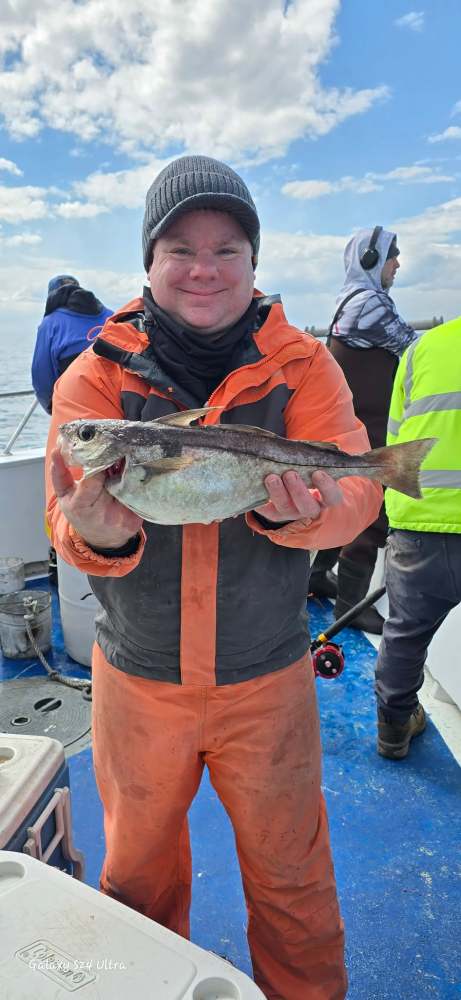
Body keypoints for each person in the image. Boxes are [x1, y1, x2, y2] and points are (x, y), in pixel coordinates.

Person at [46, 155, 382, 1000]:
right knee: (137, 883)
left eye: (226, 249)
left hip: (267, 677)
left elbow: (356, 494)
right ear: (149, 262)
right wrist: (91, 534)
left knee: (294, 880)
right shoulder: (94, 378)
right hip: (138, 680)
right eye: (180, 249)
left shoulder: (303, 365)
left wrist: (301, 514)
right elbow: (63, 516)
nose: (204, 269)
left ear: (253, 260)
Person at [310, 226, 417, 633]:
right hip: (370, 428)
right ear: (371, 260)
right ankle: (351, 607)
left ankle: (317, 575)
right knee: (372, 511)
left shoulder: (348, 301)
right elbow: (415, 349)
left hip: (350, 424)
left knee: (343, 501)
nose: (397, 264)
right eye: (392, 255)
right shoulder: (372, 304)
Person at [375, 316, 461, 759]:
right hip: (425, 517)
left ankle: (393, 728)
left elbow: (396, 440)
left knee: (405, 633)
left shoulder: (421, 349)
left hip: (420, 517)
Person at [32, 274, 112, 413]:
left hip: (76, 408)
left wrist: (51, 407)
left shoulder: (50, 323)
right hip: (117, 405)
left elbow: (41, 375)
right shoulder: (111, 316)